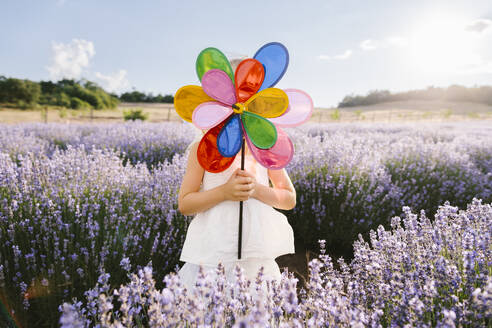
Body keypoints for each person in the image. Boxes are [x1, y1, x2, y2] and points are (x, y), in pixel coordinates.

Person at [176, 128, 296, 292]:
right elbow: (185, 203)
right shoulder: (204, 146)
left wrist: (257, 190)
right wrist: (223, 192)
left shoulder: (264, 147)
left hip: (255, 250)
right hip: (214, 250)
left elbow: (289, 199)